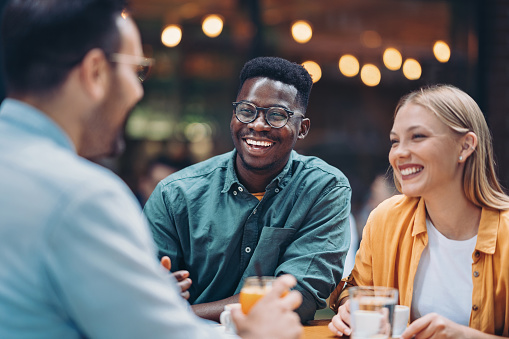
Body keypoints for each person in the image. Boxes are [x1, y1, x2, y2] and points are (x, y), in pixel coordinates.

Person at [0, 1, 304, 338]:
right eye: (137, 70)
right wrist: (255, 332)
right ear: (96, 72)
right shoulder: (82, 198)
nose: (138, 90)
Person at [143, 56, 352, 323]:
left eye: (277, 115)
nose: (257, 125)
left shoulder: (324, 189)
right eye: (246, 110)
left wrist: (183, 314)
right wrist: (161, 302)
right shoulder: (175, 194)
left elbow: (297, 298)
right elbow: (143, 291)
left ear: (303, 129)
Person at [328, 84, 509, 338]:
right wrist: (349, 310)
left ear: (465, 146)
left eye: (418, 137)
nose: (399, 153)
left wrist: (465, 336)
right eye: (394, 141)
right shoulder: (385, 219)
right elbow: (356, 290)